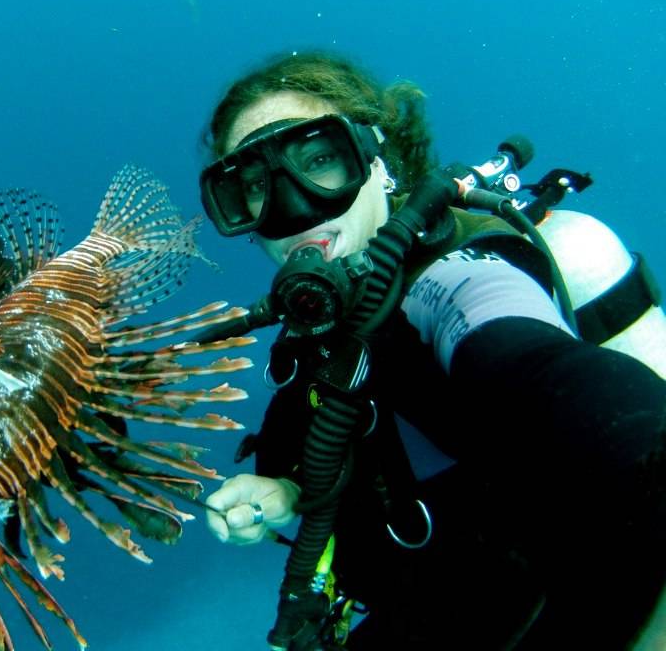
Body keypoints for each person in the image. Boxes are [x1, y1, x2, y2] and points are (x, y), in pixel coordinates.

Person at [198, 51, 666, 650]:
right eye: (255, 188)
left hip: (564, 603)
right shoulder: (314, 343)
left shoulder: (451, 280)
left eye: (320, 160)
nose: (291, 210)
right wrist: (283, 494)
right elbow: (334, 445)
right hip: (426, 617)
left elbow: (528, 362)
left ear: (380, 163)